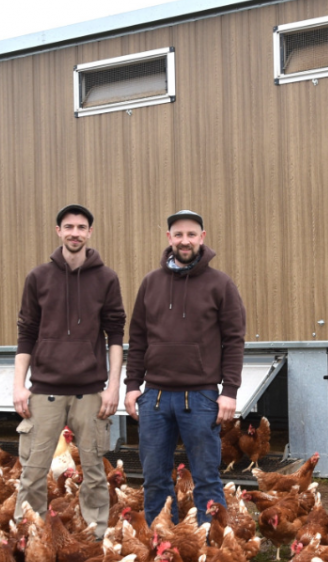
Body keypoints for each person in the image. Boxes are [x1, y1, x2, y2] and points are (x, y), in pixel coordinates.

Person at [125, 210, 246, 526]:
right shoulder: (151, 283)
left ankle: (210, 544)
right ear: (169, 238)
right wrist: (132, 385)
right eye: (178, 234)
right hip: (155, 398)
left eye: (191, 234)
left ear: (202, 238)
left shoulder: (220, 284)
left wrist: (230, 391)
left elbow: (234, 340)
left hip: (201, 397)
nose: (185, 240)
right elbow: (137, 338)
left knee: (206, 478)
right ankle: (162, 541)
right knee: (155, 478)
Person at [13, 203, 125, 536]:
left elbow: (115, 335)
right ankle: (29, 537)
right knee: (33, 473)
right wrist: (19, 385)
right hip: (44, 390)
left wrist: (113, 386)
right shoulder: (38, 278)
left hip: (89, 392)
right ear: (58, 231)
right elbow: (26, 333)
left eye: (81, 227)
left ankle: (94, 537)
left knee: (94, 472)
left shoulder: (106, 279)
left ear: (90, 232)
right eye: (69, 227)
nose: (75, 233)